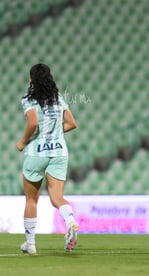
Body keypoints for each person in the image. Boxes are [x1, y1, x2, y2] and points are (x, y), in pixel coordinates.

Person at [16, 64, 79, 255]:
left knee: (31, 200)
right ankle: (70, 221)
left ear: (31, 80)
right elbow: (72, 123)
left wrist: (22, 141)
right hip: (59, 152)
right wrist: (54, 134)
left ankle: (31, 244)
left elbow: (33, 123)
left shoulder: (28, 100)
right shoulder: (58, 98)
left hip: (37, 152)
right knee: (57, 198)